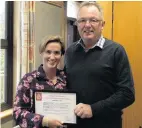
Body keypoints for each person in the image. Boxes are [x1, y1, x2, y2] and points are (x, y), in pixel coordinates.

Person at [64, 2, 135, 128]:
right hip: (75, 124)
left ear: (102, 24)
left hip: (106, 124)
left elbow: (127, 93)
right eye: (82, 20)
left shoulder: (116, 51)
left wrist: (93, 109)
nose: (87, 25)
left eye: (93, 20)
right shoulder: (70, 52)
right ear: (77, 24)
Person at [13, 36, 67, 128]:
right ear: (41, 53)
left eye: (57, 53)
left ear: (61, 55)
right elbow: (17, 113)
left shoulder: (66, 78)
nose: (52, 57)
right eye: (48, 52)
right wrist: (43, 121)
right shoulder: (28, 80)